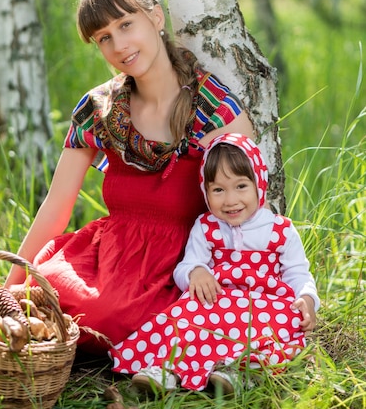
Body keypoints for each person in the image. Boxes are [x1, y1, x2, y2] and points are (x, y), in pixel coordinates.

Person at [4, 0, 255, 354]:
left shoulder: (216, 111)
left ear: (156, 17)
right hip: (110, 257)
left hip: (184, 265)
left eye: (126, 24)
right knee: (45, 289)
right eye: (105, 37)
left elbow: (250, 214)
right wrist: (8, 289)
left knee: (109, 315)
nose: (119, 45)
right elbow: (56, 208)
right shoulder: (99, 110)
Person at [110, 133, 319, 393]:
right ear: (206, 191)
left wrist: (307, 299)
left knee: (281, 327)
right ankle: (168, 369)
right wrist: (195, 272)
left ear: (259, 184)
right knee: (183, 319)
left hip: (265, 307)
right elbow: (187, 265)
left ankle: (240, 372)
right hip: (216, 304)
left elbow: (298, 273)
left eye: (241, 186)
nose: (230, 200)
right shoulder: (206, 226)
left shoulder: (281, 230)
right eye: (218, 190)